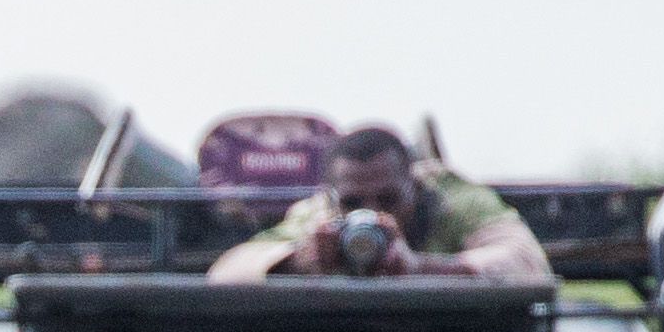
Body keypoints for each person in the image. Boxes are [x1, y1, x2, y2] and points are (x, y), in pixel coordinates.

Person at [209, 123, 552, 285]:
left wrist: (421, 267)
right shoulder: (320, 215)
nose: (372, 213)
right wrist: (300, 261)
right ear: (331, 199)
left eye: (388, 199)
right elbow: (225, 275)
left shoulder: (454, 200)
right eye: (353, 203)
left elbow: (526, 264)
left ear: (414, 186)